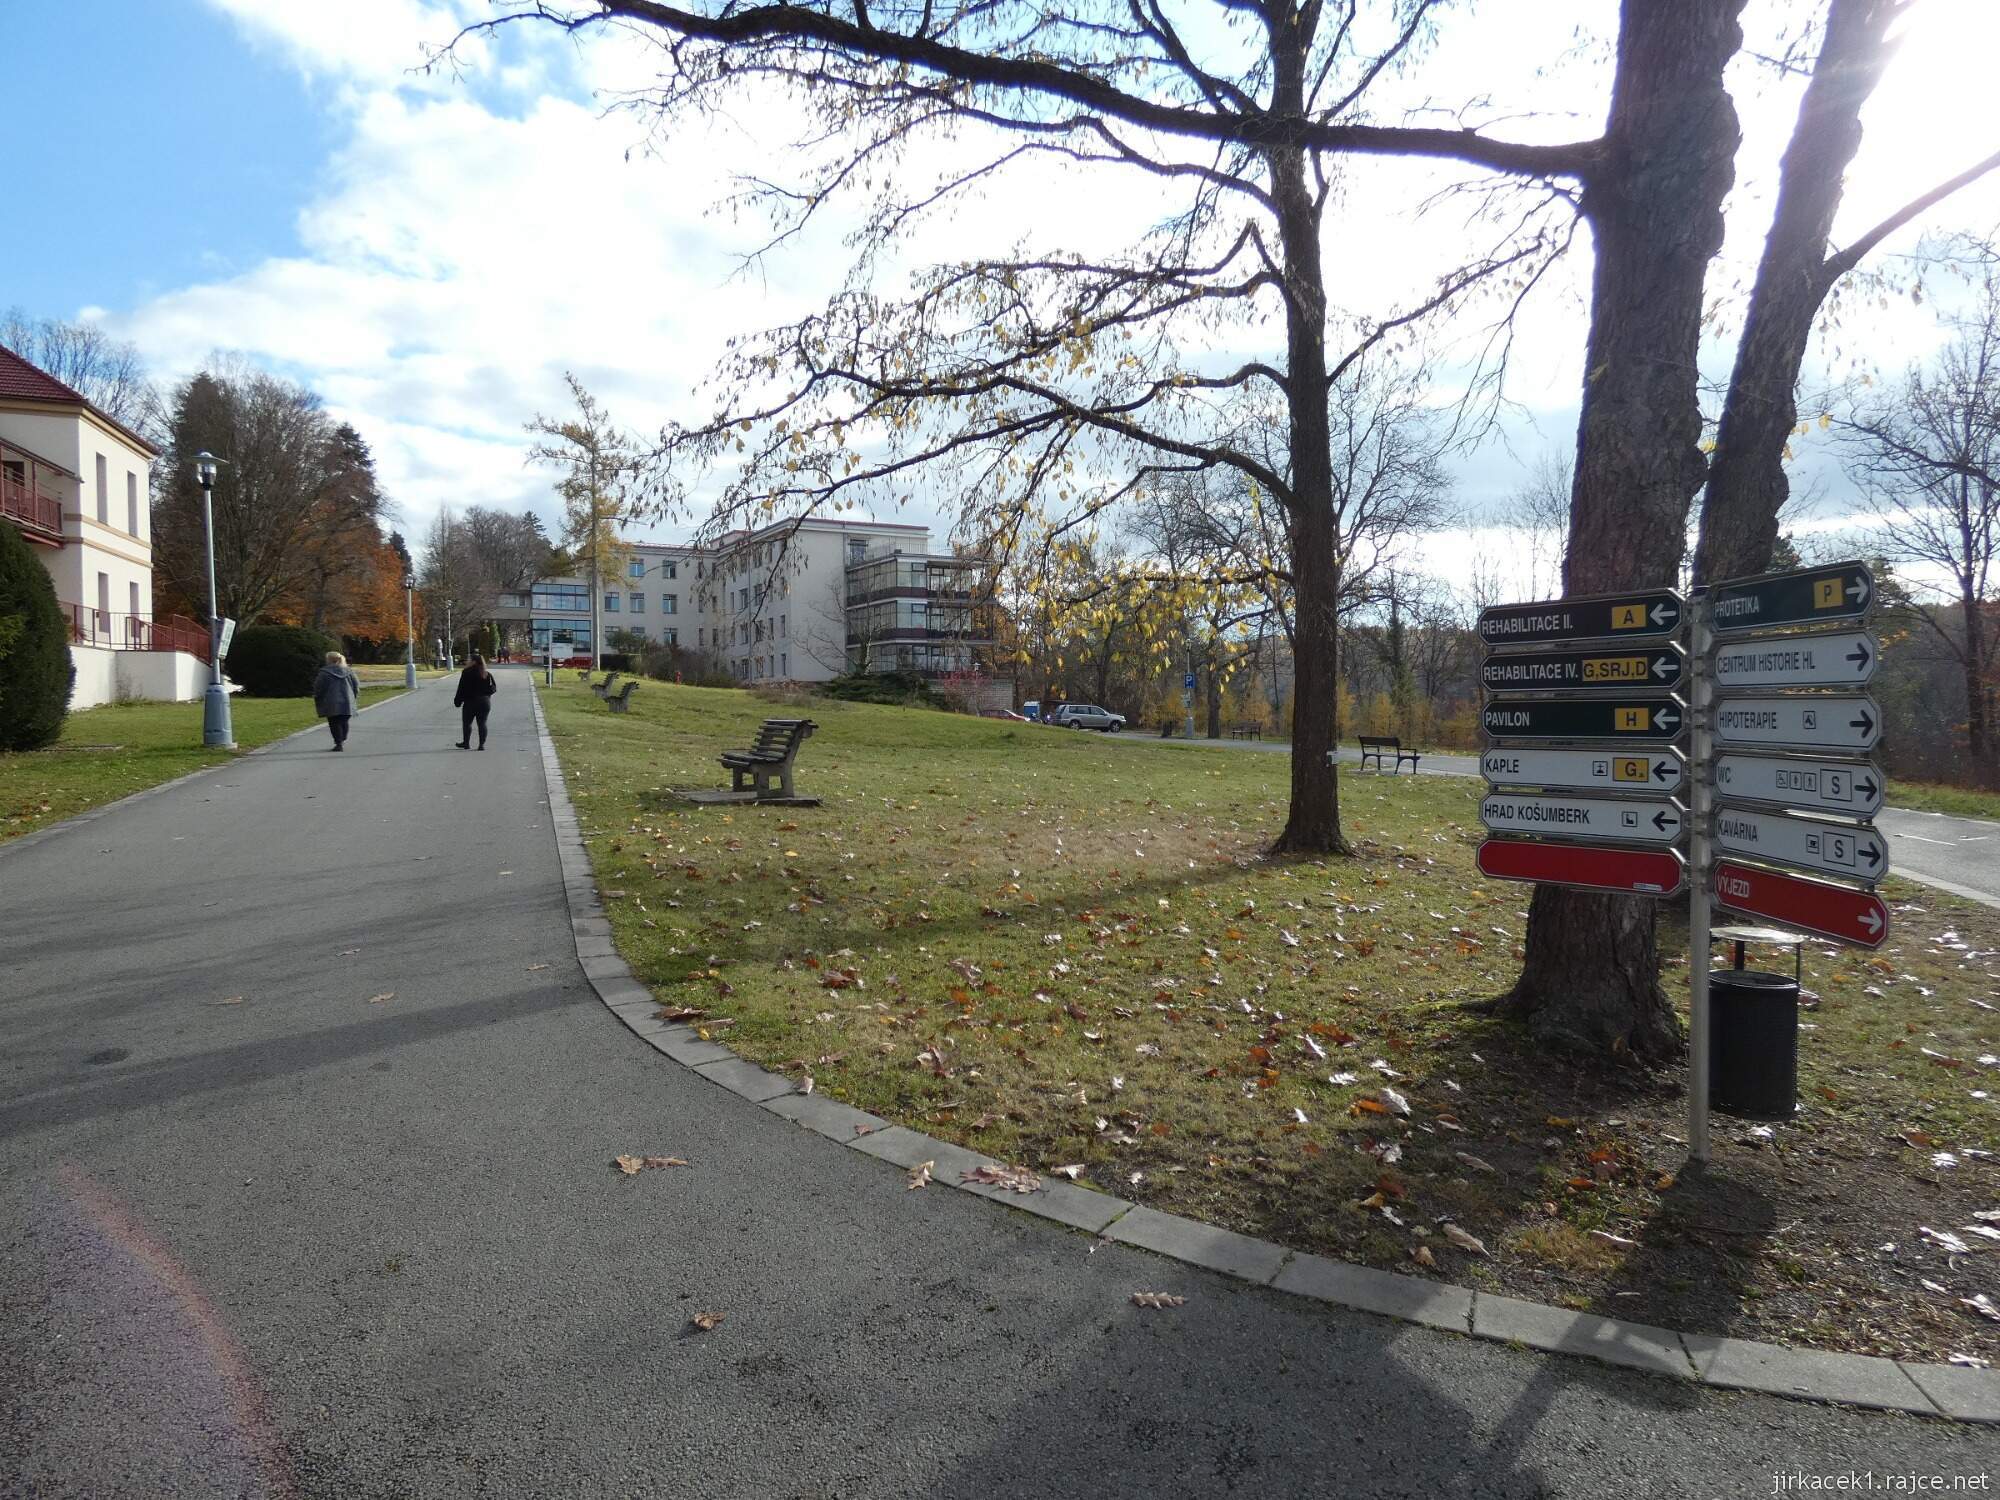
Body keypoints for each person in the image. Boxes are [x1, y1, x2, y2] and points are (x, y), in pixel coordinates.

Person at [313, 651, 362, 751]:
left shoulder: (324, 673)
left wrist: (318, 697)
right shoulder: (349, 671)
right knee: (344, 721)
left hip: (331, 702)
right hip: (347, 701)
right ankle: (343, 738)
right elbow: (356, 686)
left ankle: (338, 742)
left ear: (328, 660)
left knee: (334, 723)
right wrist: (354, 697)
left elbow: (318, 687)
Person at [454, 652, 498, 750]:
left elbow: (461, 688)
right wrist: (487, 695)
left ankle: (466, 743)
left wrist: (458, 701)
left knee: (467, 723)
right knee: (482, 723)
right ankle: (481, 745)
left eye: (469, 660)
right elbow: (493, 688)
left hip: (470, 702)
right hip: (484, 702)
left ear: (473, 662)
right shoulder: (486, 674)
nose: (467, 661)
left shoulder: (466, 672)